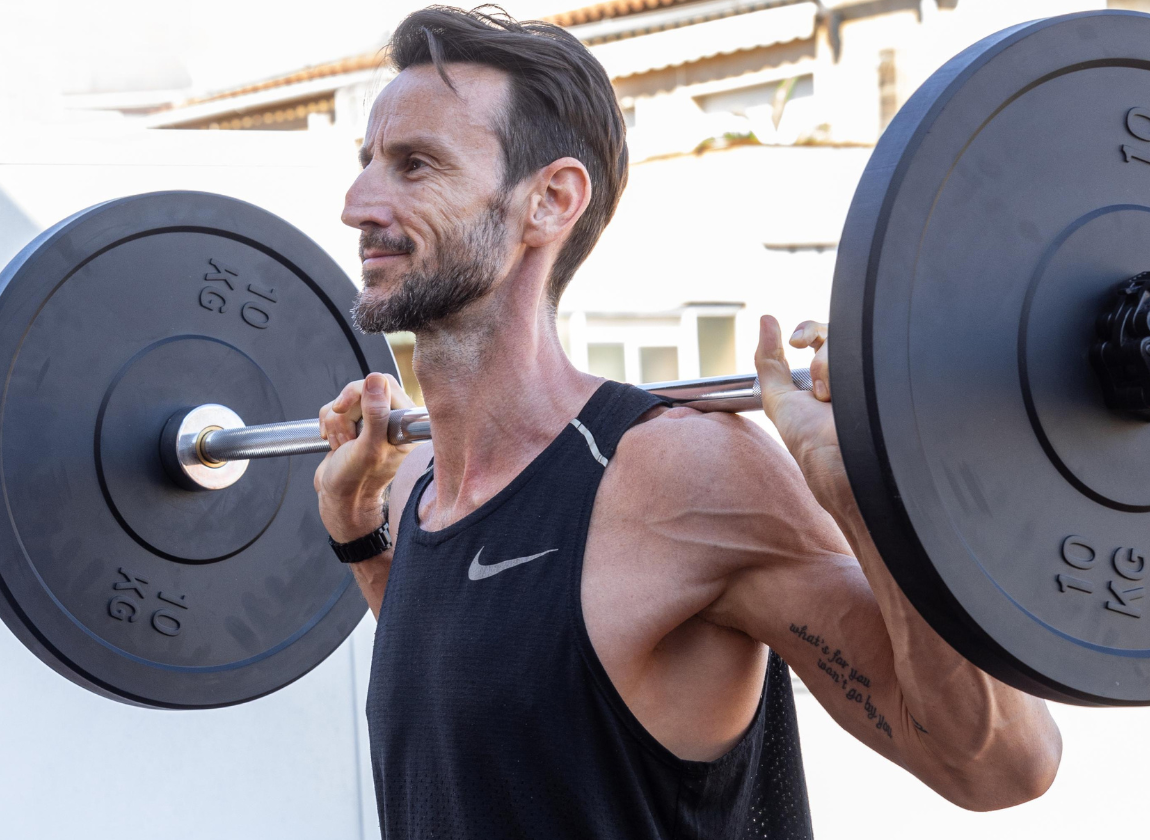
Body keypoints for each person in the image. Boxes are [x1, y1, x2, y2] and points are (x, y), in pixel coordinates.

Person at [315, 6, 1061, 837]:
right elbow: (488, 685)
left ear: (549, 201)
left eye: (414, 165)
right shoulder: (413, 484)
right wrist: (359, 540)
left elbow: (1000, 766)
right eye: (366, 163)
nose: (356, 204)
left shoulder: (680, 475)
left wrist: (862, 495)